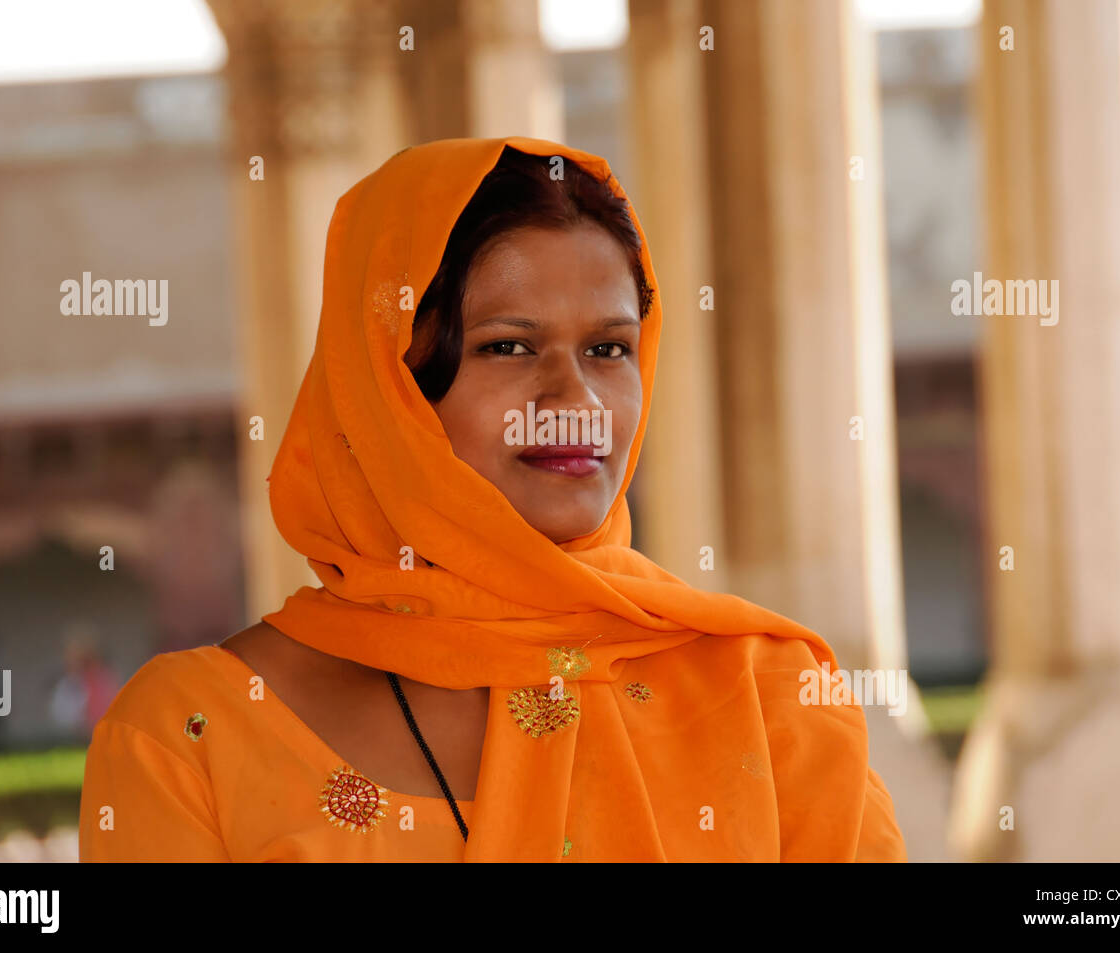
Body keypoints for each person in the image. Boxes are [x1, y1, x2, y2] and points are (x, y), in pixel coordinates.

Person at [78, 136, 907, 862]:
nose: (573, 396)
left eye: (609, 349)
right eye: (508, 346)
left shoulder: (767, 696)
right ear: (389, 387)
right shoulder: (192, 734)